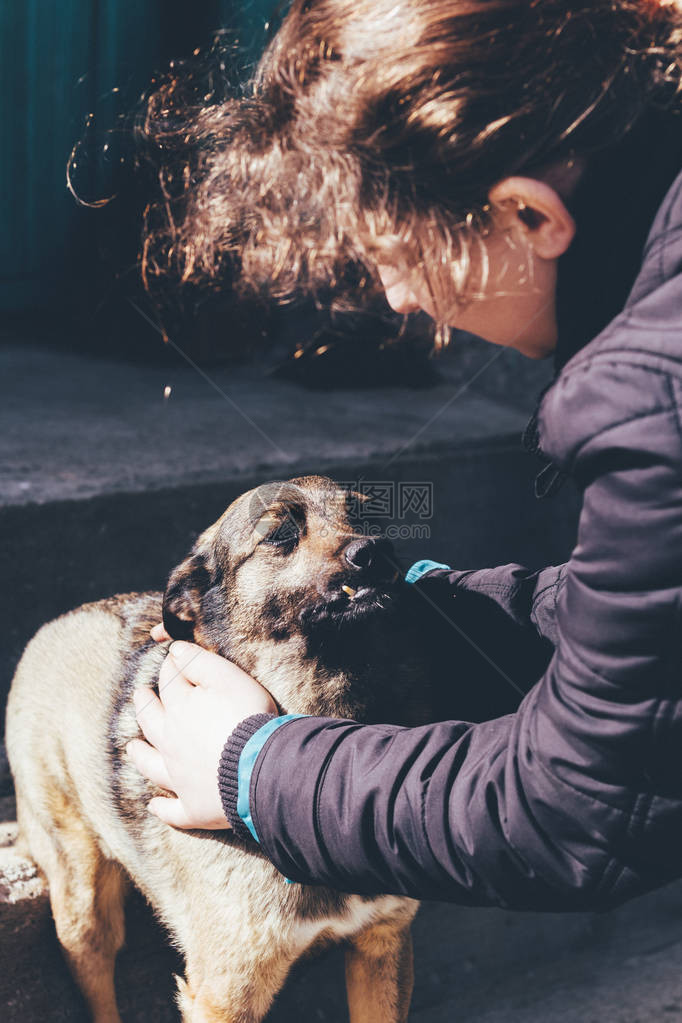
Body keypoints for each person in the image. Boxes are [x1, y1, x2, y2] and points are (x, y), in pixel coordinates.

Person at [127, 0, 682, 909]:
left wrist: (255, 769)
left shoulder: (650, 402)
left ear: (528, 216)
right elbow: (645, 635)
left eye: (396, 255)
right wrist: (416, 604)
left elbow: (575, 808)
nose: (395, 299)